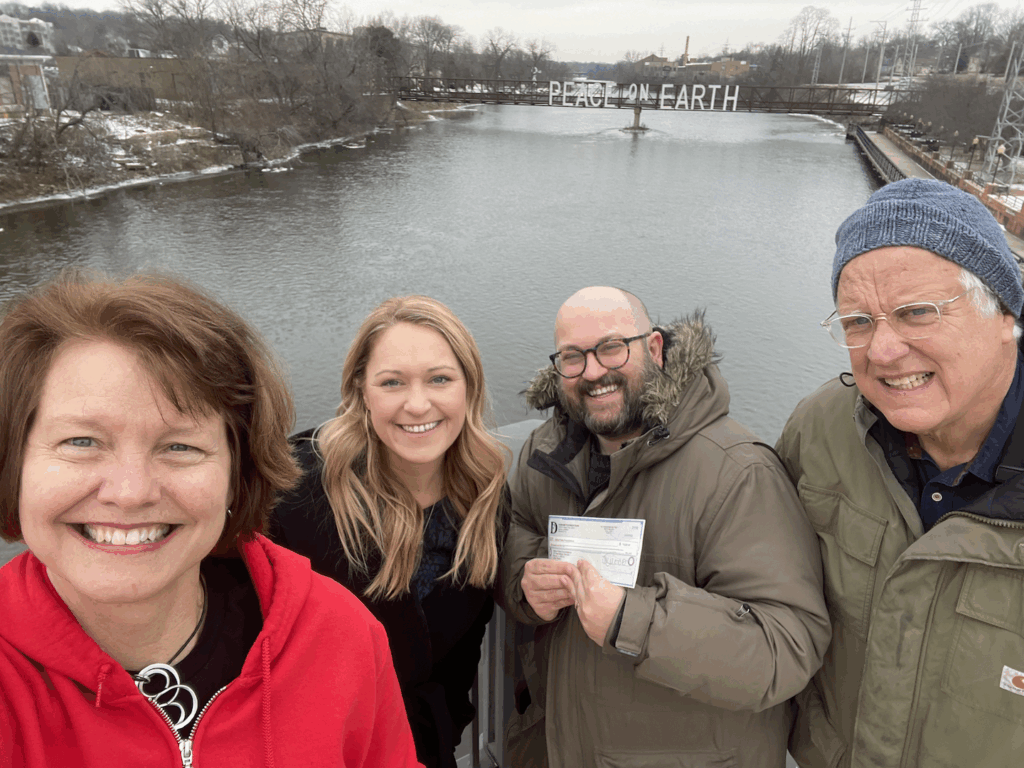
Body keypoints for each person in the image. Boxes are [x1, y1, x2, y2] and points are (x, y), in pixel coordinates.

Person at [0, 272, 420, 768]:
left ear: (236, 475)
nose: (131, 492)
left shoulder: (339, 635)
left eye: (180, 446)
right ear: (13, 464)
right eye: (81, 442)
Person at [501, 286, 831, 767]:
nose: (593, 372)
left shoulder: (737, 474)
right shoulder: (544, 454)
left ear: (653, 348)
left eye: (612, 348)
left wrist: (633, 621)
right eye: (573, 358)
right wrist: (524, 580)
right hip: (559, 747)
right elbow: (513, 533)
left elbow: (785, 646)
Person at [778, 178, 1024, 768]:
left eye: (917, 313)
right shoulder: (822, 430)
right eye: (858, 321)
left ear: (1004, 313)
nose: (882, 350)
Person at [271, 296, 509, 768]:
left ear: (469, 388)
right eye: (392, 382)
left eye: (440, 379)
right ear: (362, 392)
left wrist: (442, 728)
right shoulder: (297, 493)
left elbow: (459, 660)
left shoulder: (484, 499)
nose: (417, 404)